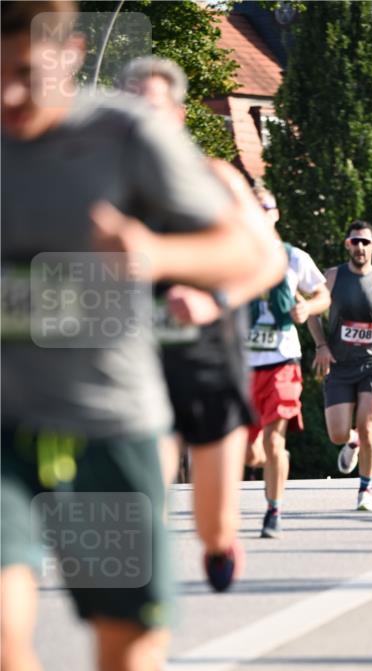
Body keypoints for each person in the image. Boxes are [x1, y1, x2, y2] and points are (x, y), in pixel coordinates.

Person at [0, 0, 284, 671]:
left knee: (126, 666)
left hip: (104, 427)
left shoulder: (124, 137)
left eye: (26, 75)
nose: (10, 97)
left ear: (72, 54)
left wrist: (156, 257)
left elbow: (256, 257)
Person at [119, 57, 257, 595]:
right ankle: (143, 650)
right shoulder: (102, 187)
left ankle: (221, 542)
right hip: (134, 365)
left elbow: (264, 262)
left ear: (176, 115)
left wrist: (213, 299)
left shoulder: (215, 180)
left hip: (206, 360)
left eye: (150, 108)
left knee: (213, 525)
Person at [245, 187, 330, 537]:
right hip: (243, 365)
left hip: (282, 361)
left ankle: (273, 511)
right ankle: (270, 467)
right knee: (252, 455)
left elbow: (323, 294)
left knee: (274, 442)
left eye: (264, 207)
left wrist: (307, 308)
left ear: (275, 213)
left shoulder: (294, 258)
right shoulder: (234, 256)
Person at [308, 221, 372, 511]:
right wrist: (321, 345)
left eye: (365, 242)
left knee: (368, 428)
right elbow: (313, 312)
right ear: (347, 245)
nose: (360, 247)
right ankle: (350, 441)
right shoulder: (332, 277)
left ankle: (365, 490)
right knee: (338, 434)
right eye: (355, 242)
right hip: (340, 365)